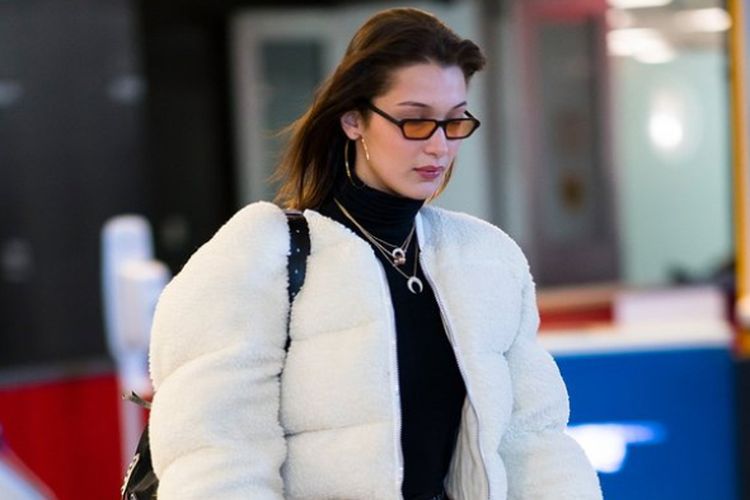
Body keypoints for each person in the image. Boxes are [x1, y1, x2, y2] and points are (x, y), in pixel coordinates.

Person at [147, 7, 602, 500]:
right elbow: (216, 459)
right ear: (353, 120)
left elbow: (533, 442)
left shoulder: (485, 259)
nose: (439, 146)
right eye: (415, 121)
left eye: (454, 121)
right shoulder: (261, 256)